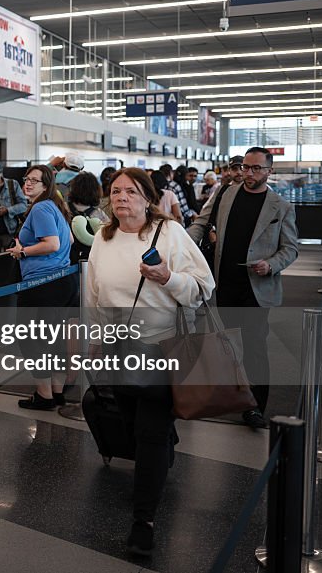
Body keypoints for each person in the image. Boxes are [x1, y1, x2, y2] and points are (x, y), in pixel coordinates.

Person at [85, 167, 214, 557]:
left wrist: (168, 277)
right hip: (117, 351)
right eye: (116, 191)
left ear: (147, 197)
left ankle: (144, 520)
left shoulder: (170, 233)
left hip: (162, 348)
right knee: (128, 421)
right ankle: (162, 450)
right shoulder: (102, 239)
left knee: (149, 432)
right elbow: (93, 294)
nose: (122, 197)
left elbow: (203, 287)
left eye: (131, 191)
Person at [187, 147, 298, 429]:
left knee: (254, 348)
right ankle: (231, 394)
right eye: (246, 167)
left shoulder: (281, 206)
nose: (248, 173)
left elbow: (291, 249)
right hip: (224, 283)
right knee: (227, 344)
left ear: (269, 171)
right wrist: (182, 244)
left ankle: (254, 407)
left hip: (256, 288)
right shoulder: (225, 193)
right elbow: (202, 222)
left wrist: (271, 264)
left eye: (256, 168)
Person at [8, 164, 78, 408]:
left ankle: (44, 395)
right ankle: (56, 392)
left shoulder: (40, 208)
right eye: (27, 179)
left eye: (34, 181)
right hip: (62, 281)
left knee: (29, 338)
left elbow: (53, 244)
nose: (28, 183)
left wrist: (22, 251)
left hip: (43, 283)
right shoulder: (55, 206)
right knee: (52, 339)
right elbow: (69, 239)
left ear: (46, 186)